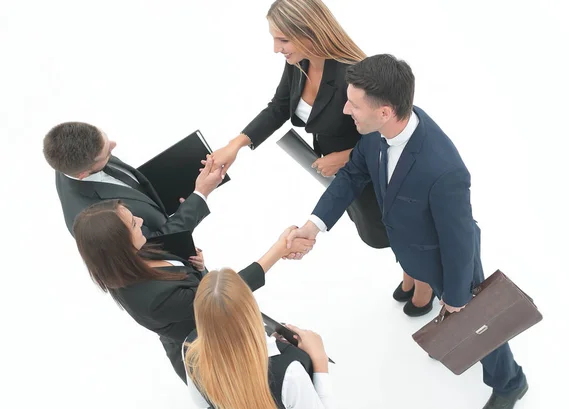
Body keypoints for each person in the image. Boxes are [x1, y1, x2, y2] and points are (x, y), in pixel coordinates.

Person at [286, 54, 528, 408]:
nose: (345, 111)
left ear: (384, 111)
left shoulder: (445, 171)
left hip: (446, 259)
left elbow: (457, 241)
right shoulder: (376, 132)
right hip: (414, 250)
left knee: (480, 321)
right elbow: (353, 175)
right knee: (455, 316)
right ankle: (447, 335)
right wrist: (314, 225)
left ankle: (510, 382)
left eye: (353, 105)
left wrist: (459, 296)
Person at [210, 0, 390, 251]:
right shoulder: (299, 62)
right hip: (342, 175)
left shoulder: (355, 74)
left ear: (309, 32)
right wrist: (236, 145)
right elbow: (279, 107)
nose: (275, 49)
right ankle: (412, 278)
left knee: (391, 230)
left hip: (372, 171)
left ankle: (419, 282)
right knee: (374, 228)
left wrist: (343, 158)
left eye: (283, 40)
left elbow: (389, 135)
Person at [73, 199, 315, 383]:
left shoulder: (137, 253)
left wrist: (198, 269)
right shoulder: (152, 299)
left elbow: (196, 287)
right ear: (119, 244)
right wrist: (279, 250)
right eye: (134, 223)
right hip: (215, 361)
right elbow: (223, 296)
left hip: (220, 329)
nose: (142, 221)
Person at [184, 268, 334, 409]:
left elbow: (204, 405)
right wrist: (320, 363)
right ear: (251, 308)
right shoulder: (290, 373)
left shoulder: (190, 351)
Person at [43, 121, 222, 237]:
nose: (114, 145)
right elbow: (155, 245)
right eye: (107, 152)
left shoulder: (68, 156)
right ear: (83, 173)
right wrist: (200, 194)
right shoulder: (95, 219)